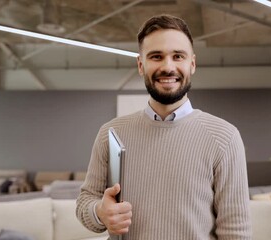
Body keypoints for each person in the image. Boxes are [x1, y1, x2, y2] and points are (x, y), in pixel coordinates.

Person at [76, 14, 251, 240]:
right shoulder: (111, 133)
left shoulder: (224, 137)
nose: (168, 67)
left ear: (192, 64)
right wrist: (100, 212)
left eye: (178, 56)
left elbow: (236, 232)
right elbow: (85, 202)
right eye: (156, 56)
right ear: (141, 65)